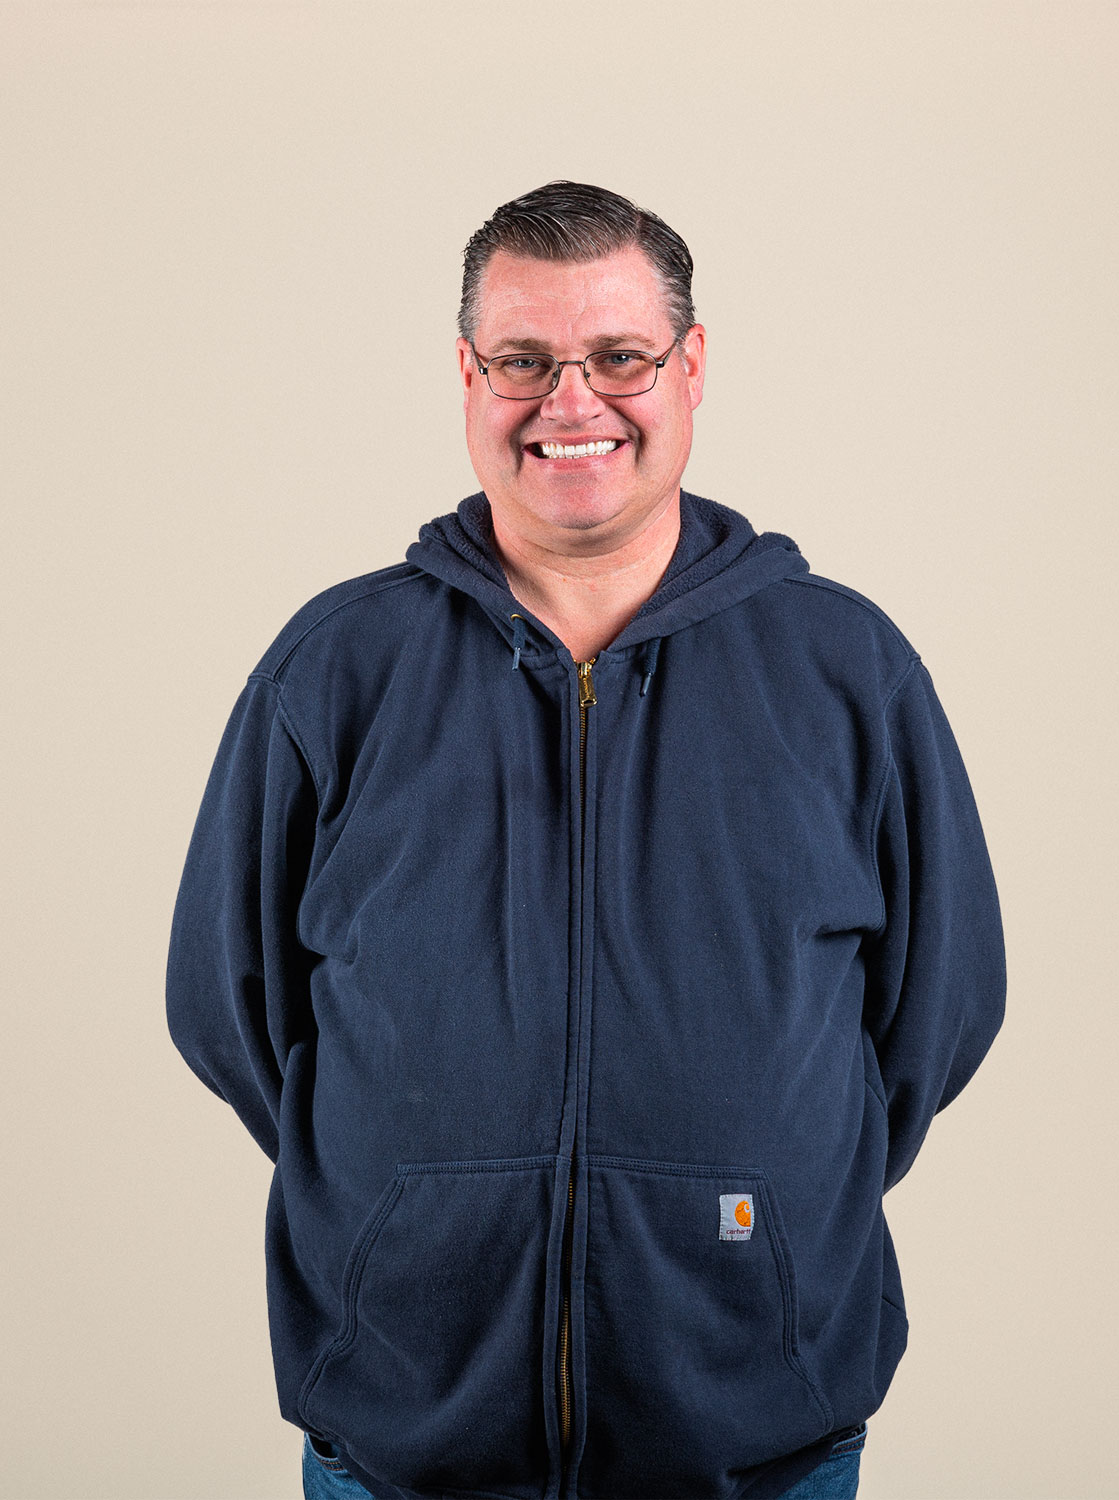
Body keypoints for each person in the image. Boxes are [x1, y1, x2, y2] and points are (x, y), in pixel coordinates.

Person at [166, 181, 1006, 1500]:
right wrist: (420, 1201)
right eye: (525, 360)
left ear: (692, 366)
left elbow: (936, 1011)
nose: (572, 402)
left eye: (620, 357)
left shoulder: (847, 672)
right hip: (404, 1440)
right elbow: (231, 1006)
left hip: (760, 1445)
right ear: (468, 375)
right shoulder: (337, 671)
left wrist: (767, 1190)